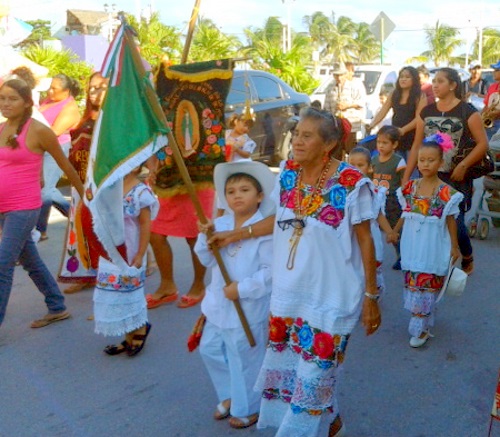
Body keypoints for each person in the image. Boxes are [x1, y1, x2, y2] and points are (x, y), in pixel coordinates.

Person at [211, 107, 380, 436]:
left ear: (328, 144)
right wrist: (234, 233)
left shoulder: (351, 183)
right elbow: (277, 222)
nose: (297, 141)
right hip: (289, 296)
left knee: (313, 377)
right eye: (295, 134)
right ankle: (331, 422)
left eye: (306, 135)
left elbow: (365, 240)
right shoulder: (287, 174)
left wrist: (372, 296)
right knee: (296, 376)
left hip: (333, 297)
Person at [195, 161, 274, 430]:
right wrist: (205, 238)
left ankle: (248, 407)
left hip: (247, 306)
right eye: (230, 191)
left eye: (244, 189)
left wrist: (241, 288)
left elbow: (270, 272)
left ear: (260, 195)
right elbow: (206, 259)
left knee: (244, 356)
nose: (237, 195)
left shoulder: (263, 229)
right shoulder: (219, 223)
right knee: (210, 348)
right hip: (218, 305)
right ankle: (229, 395)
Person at [0, 79, 84, 328]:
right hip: (3, 207)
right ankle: (56, 305)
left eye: (12, 98)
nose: (5, 103)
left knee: (3, 264)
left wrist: (85, 198)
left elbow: (65, 164)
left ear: (27, 102)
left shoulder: (39, 130)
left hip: (24, 207)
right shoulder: (2, 128)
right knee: (30, 260)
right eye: (3, 98)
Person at [403, 68, 489, 275]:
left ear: (452, 85)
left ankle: (466, 255)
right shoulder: (427, 112)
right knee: (430, 220)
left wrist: (463, 165)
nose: (435, 85)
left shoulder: (467, 112)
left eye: (440, 81)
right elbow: (416, 145)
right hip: (430, 176)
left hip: (456, 177)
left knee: (456, 222)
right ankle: (437, 263)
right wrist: (407, 176)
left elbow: (483, 144)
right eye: (434, 81)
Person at [394, 134, 462, 348]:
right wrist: (393, 232)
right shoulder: (409, 189)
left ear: (440, 162)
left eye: (430, 160)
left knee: (426, 284)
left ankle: (420, 328)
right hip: (412, 246)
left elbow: (451, 221)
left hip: (433, 246)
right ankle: (423, 320)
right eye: (421, 160)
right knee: (414, 283)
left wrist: (454, 246)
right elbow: (405, 214)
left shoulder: (447, 193)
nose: (425, 164)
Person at [95, 165, 159, 357]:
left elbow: (145, 223)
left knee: (131, 291)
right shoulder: (109, 187)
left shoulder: (141, 191)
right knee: (117, 293)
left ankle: (139, 328)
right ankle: (128, 332)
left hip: (131, 249)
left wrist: (141, 253)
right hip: (111, 249)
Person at [58, 72, 109, 293]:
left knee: (105, 229)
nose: (95, 92)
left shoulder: (114, 120)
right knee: (81, 228)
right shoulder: (86, 119)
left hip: (105, 186)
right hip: (81, 185)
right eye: (92, 87)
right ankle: (86, 273)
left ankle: (106, 274)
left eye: (102, 87)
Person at [348, 146, 397, 297]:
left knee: (371, 265)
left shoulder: (373, 191)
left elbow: (379, 215)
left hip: (370, 235)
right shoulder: (343, 190)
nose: (356, 169)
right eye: (352, 165)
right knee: (354, 267)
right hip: (351, 236)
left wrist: (390, 231)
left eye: (360, 165)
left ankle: (372, 294)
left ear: (370, 168)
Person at [37, 74, 81, 240]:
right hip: (41, 147)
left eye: (54, 89)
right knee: (48, 188)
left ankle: (40, 230)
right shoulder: (48, 101)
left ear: (66, 91)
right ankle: (75, 212)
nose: (50, 91)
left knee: (44, 191)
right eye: (50, 87)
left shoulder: (70, 107)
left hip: (56, 149)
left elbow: (55, 131)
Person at [368, 66, 427, 161]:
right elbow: (383, 111)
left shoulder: (420, 96)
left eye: (407, 77)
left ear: (414, 79)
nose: (403, 79)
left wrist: (403, 130)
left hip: (413, 138)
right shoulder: (394, 94)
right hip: (396, 137)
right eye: (401, 77)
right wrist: (372, 124)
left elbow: (419, 118)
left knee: (412, 171)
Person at [372, 125, 407, 270]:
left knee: (394, 230)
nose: (381, 145)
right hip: (375, 200)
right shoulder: (373, 160)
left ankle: (402, 255)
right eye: (379, 142)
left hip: (392, 200)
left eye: (385, 143)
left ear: (394, 144)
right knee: (372, 229)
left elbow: (403, 181)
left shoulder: (398, 161)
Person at [324, 63, 367, 151]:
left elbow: (361, 103)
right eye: (336, 75)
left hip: (351, 123)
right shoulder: (330, 88)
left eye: (340, 75)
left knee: (349, 148)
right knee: (336, 150)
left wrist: (347, 106)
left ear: (344, 74)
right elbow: (326, 107)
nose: (339, 78)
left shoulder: (354, 86)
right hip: (336, 124)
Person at [482, 60, 500, 140]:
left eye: (496, 70)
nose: (493, 72)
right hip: (490, 124)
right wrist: (481, 117)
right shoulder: (492, 87)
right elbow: (486, 106)